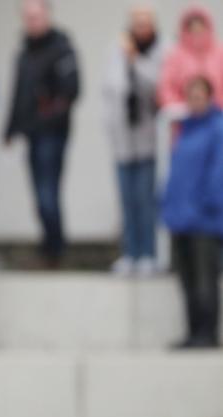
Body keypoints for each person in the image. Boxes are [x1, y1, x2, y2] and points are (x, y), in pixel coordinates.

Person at [4, 0, 79, 265]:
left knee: (48, 193)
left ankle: (56, 248)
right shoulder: (24, 51)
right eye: (28, 17)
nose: (32, 22)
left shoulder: (61, 48)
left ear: (47, 16)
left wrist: (50, 114)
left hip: (53, 134)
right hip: (31, 134)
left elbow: (72, 90)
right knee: (38, 194)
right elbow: (18, 93)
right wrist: (10, 129)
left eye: (36, 16)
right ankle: (49, 245)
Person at [162, 76, 223, 349]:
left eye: (199, 96)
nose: (195, 101)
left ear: (209, 97)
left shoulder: (217, 128)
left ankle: (207, 333)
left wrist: (205, 204)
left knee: (204, 279)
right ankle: (192, 332)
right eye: (191, 96)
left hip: (205, 220)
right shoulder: (184, 130)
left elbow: (217, 173)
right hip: (181, 219)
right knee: (186, 281)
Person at [102, 5, 164, 276]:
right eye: (136, 22)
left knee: (145, 198)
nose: (141, 27)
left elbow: (156, 86)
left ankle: (148, 254)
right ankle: (130, 252)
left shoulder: (163, 50)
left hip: (149, 140)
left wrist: (135, 60)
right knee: (126, 199)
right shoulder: (115, 50)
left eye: (145, 22)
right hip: (123, 139)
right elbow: (110, 89)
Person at [158, 6, 223, 110]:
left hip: (218, 116)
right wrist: (179, 108)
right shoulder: (175, 55)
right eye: (192, 26)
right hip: (184, 117)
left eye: (200, 26)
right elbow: (166, 87)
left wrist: (217, 107)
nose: (196, 30)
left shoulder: (219, 53)